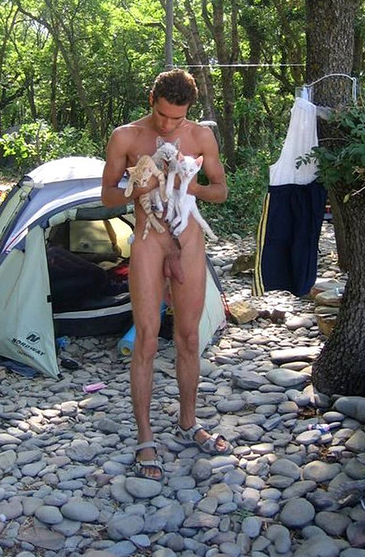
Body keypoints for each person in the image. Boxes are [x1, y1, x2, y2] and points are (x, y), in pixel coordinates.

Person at [101, 68, 232, 481]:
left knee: (189, 337)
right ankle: (145, 437)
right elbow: (107, 195)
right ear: (151, 102)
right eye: (162, 115)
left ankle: (188, 422)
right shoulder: (126, 136)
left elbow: (221, 190)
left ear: (189, 110)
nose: (169, 125)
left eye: (178, 117)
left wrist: (192, 186)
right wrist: (139, 187)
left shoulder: (201, 136)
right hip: (148, 239)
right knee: (146, 337)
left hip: (188, 239)